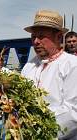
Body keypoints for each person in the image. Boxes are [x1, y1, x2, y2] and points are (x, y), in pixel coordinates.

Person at [21, 10, 77, 140]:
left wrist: (39, 132)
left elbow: (73, 112)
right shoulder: (29, 66)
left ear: (58, 37)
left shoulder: (72, 64)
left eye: (41, 36)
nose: (35, 41)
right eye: (33, 37)